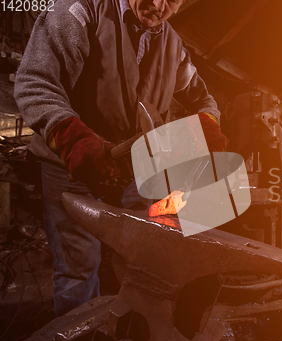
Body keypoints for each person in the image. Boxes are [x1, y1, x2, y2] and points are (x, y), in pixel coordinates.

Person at [14, 0, 228, 316]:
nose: (157, 5)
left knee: (144, 256)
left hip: (132, 168)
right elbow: (35, 82)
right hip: (72, 164)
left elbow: (204, 99)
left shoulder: (173, 45)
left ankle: (129, 329)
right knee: (79, 268)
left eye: (171, 0)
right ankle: (79, 338)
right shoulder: (80, 11)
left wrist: (207, 123)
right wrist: (73, 140)